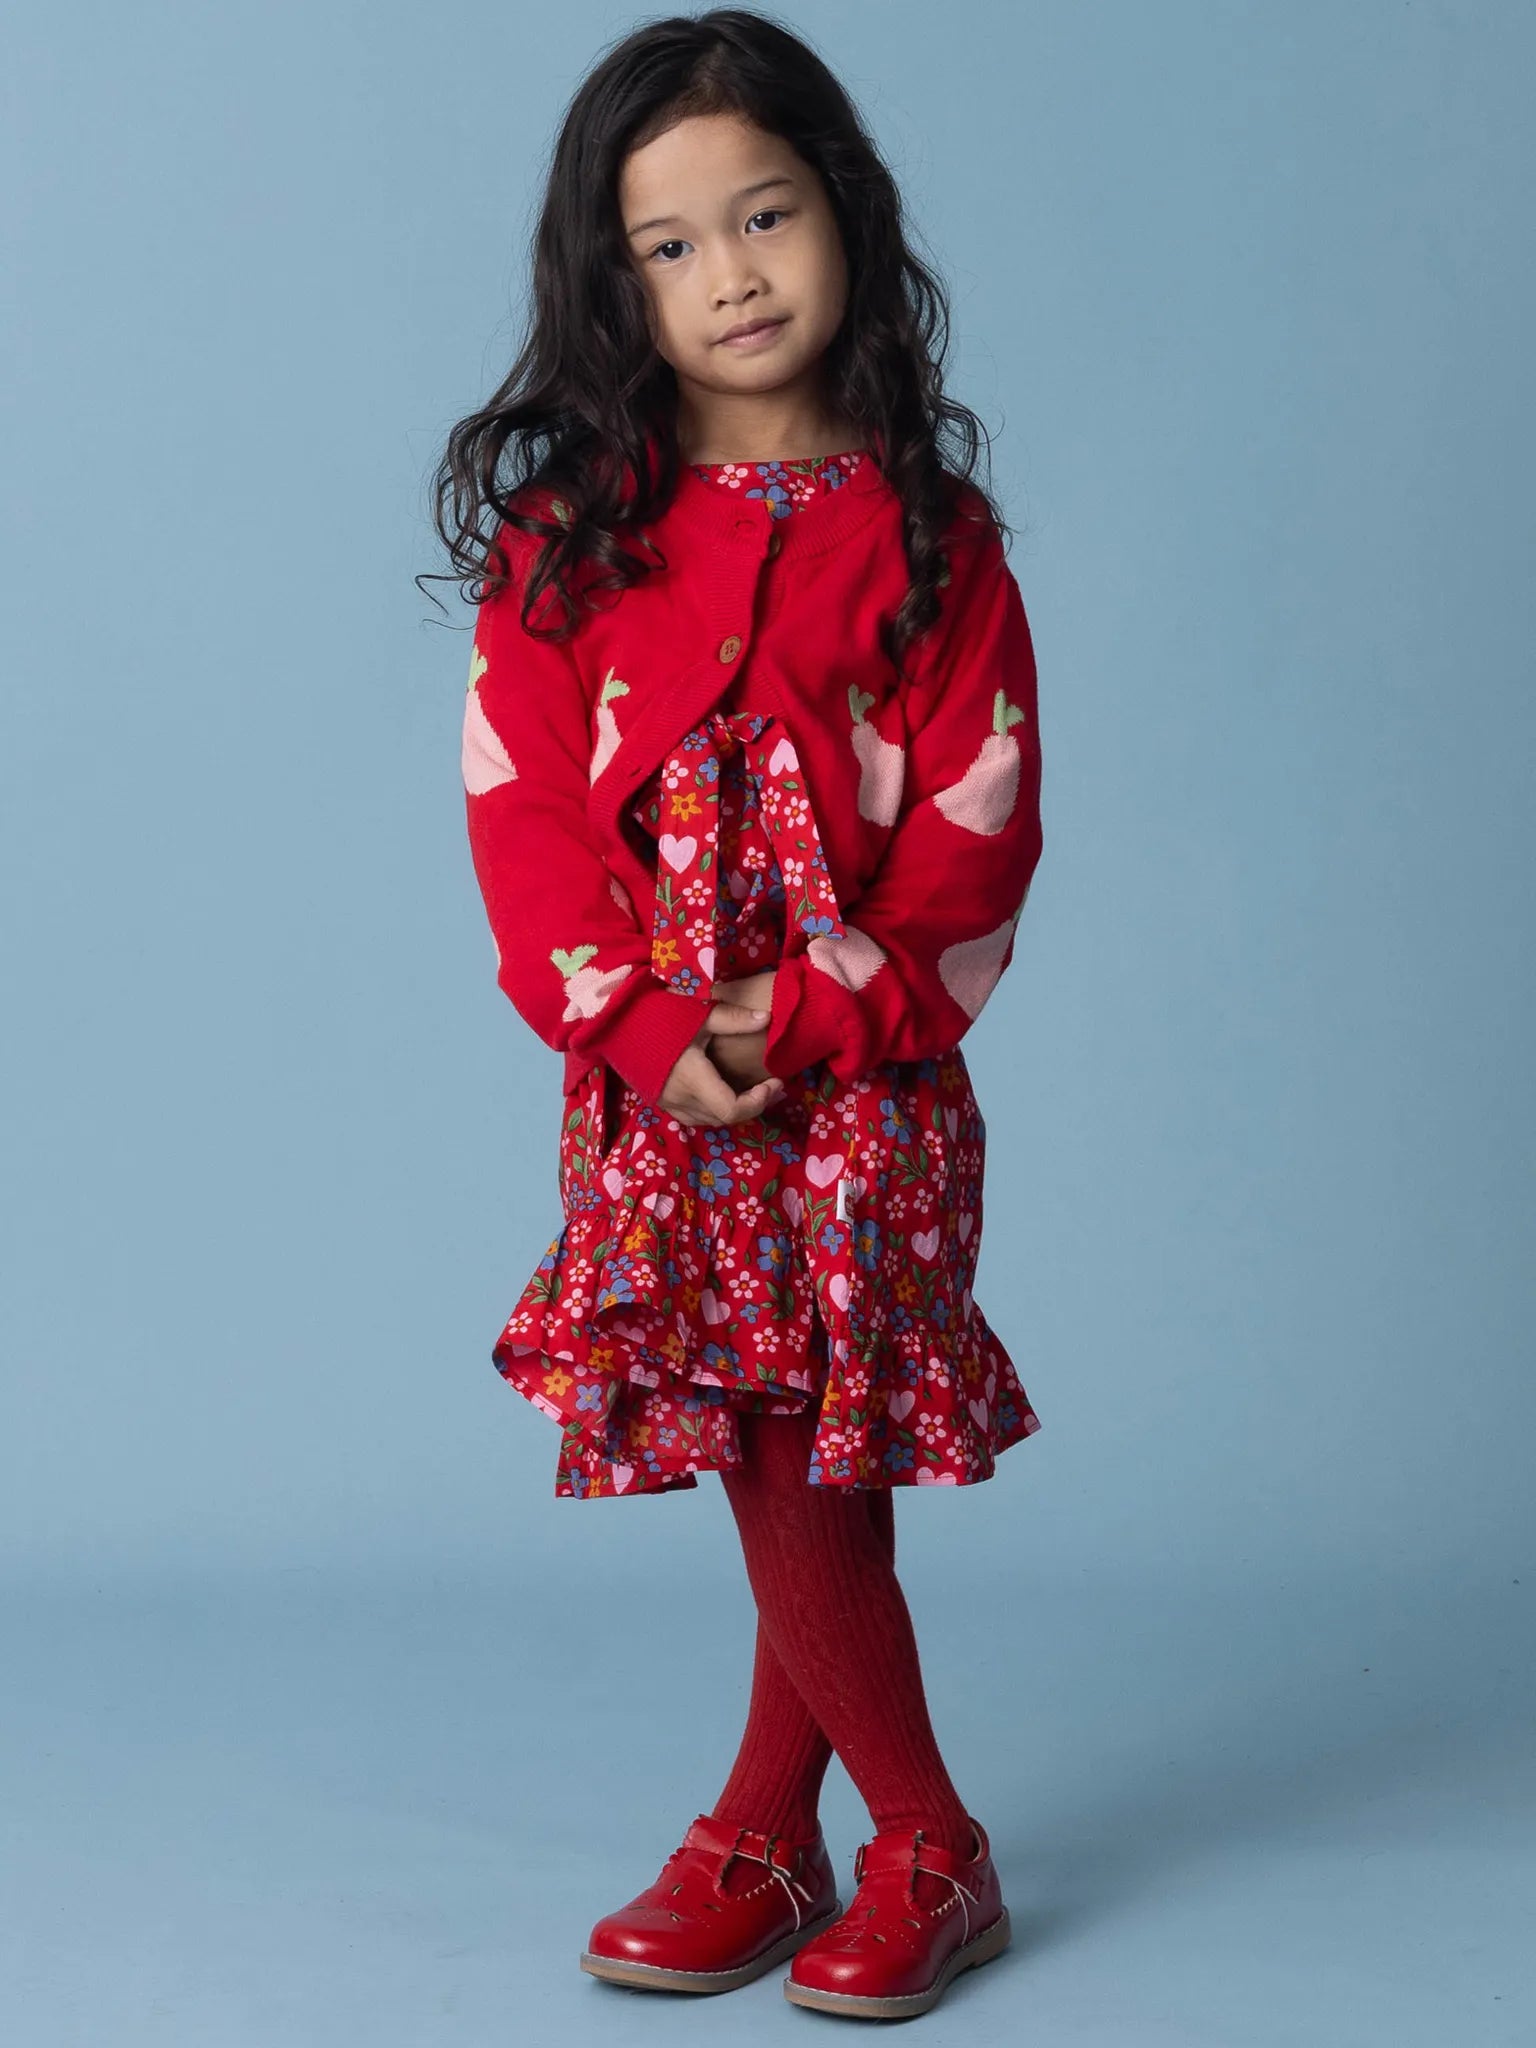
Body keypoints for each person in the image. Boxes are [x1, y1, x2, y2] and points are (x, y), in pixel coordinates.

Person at [426, 8, 1045, 2022]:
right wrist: (632, 1022)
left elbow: (974, 842)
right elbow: (517, 814)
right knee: (781, 1439)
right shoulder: (573, 542)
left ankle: (926, 1845)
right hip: (662, 1089)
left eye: (764, 216)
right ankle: (779, 1826)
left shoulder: (938, 544)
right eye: (672, 246)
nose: (732, 275)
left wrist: (808, 1016)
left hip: (864, 1091)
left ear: (844, 218)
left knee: (805, 1433)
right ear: (616, 286)